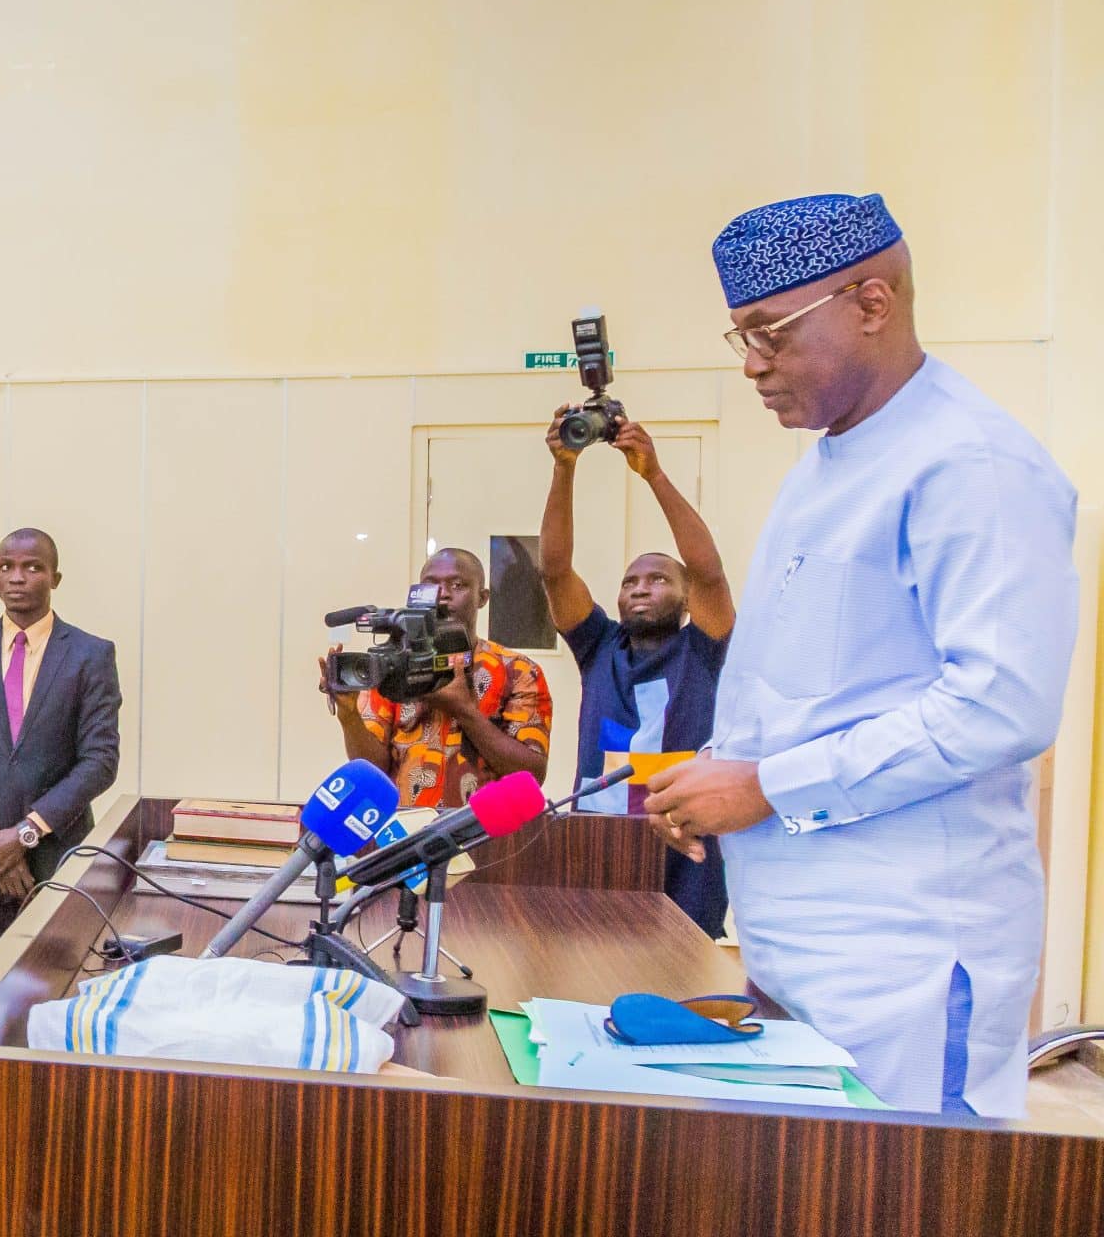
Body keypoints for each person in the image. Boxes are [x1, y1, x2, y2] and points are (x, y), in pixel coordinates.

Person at [644, 193, 1077, 1118]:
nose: (753, 364)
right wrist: (718, 774)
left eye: (771, 333)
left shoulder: (970, 464)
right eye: (742, 337)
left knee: (903, 1213)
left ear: (872, 304)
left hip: (903, 971)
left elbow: (1002, 707)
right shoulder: (824, 466)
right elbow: (816, 694)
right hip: (796, 949)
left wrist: (768, 786)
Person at [538, 416, 736, 936]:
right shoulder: (598, 645)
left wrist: (654, 475)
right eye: (630, 582)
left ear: (688, 598)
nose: (641, 588)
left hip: (684, 841)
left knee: (681, 966)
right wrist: (564, 467)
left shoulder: (704, 647)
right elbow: (554, 570)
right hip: (598, 841)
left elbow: (709, 571)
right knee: (587, 959)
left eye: (659, 579)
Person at [0, 529, 123, 965]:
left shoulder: (90, 655)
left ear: (55, 578)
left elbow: (100, 761)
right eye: (6, 567)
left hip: (59, 855)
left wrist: (25, 834)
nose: (16, 577)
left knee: (56, 981)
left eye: (32, 567)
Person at [322, 546, 552, 809]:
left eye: (458, 585)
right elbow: (373, 770)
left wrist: (465, 711)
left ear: (482, 597)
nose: (442, 594)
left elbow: (532, 776)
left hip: (483, 828)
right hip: (406, 826)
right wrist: (349, 714)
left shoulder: (518, 671)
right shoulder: (393, 666)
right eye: (431, 585)